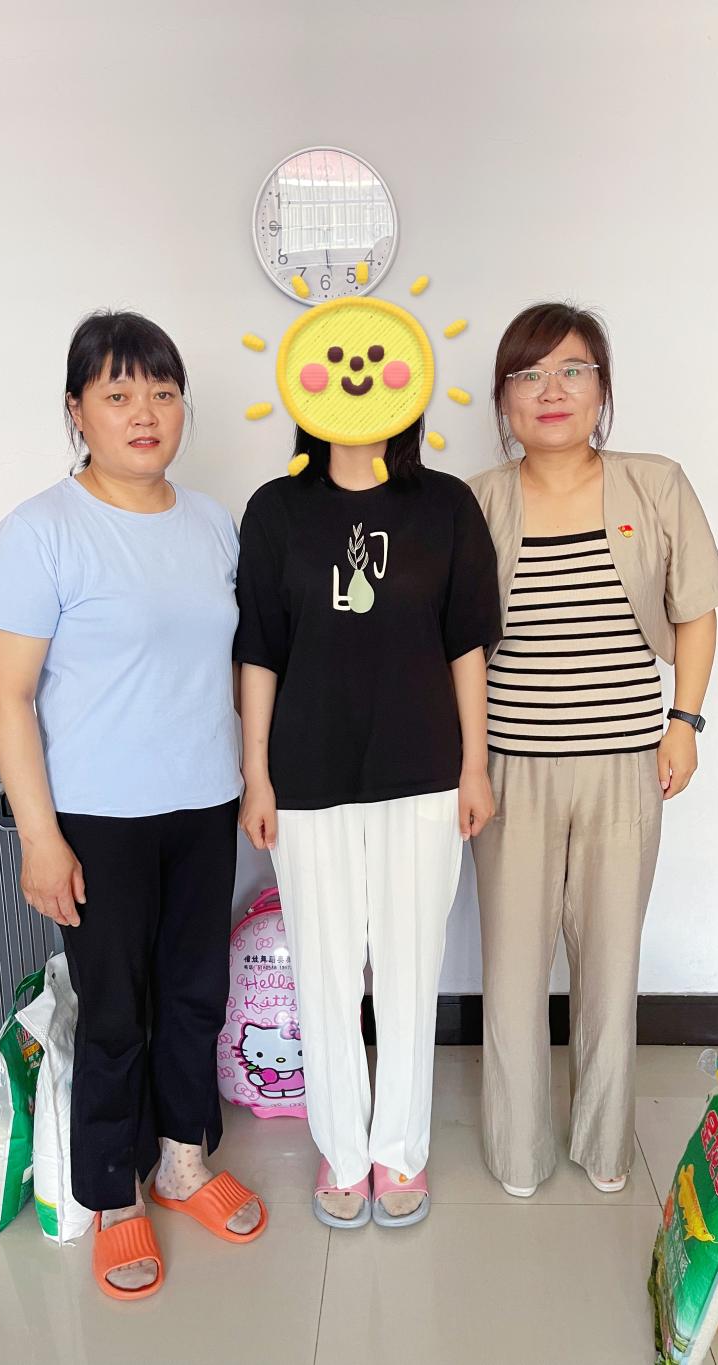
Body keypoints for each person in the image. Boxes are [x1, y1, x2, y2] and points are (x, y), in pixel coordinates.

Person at [0, 310, 265, 1301]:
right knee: (114, 1010)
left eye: (163, 392)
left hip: (204, 804)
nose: (145, 413)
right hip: (97, 819)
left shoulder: (213, 522)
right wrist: (40, 836)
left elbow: (238, 666)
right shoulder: (41, 532)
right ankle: (112, 1194)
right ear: (77, 410)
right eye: (118, 393)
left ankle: (183, 1160)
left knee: (194, 994)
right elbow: (6, 696)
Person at [468, 302, 718, 1197]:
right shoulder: (479, 500)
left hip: (626, 764)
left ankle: (605, 1144)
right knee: (512, 972)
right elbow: (451, 643)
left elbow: (696, 609)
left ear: (602, 387)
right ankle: (518, 1150)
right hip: (510, 768)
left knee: (611, 965)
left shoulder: (654, 484)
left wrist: (684, 721)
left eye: (572, 370)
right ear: (504, 398)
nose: (552, 391)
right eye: (529, 374)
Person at [235, 417, 500, 1228]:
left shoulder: (446, 506)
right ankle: (344, 1150)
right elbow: (259, 649)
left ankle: (400, 1149)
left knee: (410, 966)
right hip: (306, 776)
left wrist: (475, 765)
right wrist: (256, 775)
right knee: (325, 968)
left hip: (423, 775)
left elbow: (466, 646)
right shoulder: (276, 508)